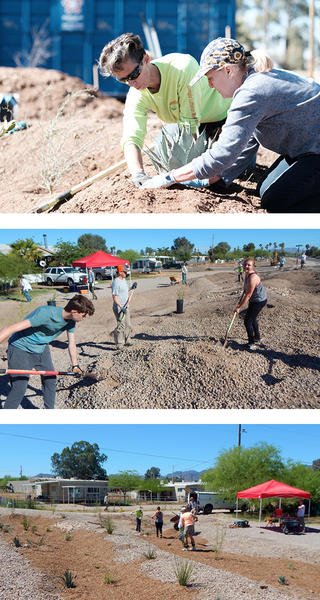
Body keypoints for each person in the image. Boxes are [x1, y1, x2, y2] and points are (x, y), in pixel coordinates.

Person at [141, 37, 320, 213]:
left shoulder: (252, 91)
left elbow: (223, 153)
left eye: (210, 78)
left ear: (228, 71)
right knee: (263, 189)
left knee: (276, 202)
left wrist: (171, 177)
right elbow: (245, 144)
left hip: (315, 150)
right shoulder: (253, 79)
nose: (210, 86)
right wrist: (217, 178)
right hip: (306, 149)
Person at [98, 33, 232, 188]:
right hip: (190, 126)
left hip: (222, 119)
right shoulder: (136, 94)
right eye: (124, 80)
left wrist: (183, 175)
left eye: (134, 74)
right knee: (166, 137)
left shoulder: (183, 68)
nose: (132, 83)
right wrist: (138, 174)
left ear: (146, 59)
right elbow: (131, 136)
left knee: (233, 171)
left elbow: (190, 126)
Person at [0, 295, 94, 409]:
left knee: (50, 380)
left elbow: (72, 344)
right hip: (20, 348)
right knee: (19, 388)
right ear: (74, 311)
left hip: (41, 348)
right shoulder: (45, 314)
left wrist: (75, 365)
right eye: (83, 315)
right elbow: (10, 328)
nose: (83, 318)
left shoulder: (71, 321)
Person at [235, 258, 267, 350]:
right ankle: (257, 337)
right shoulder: (247, 274)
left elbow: (248, 295)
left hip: (259, 301)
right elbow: (247, 290)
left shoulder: (253, 277)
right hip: (255, 299)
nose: (246, 266)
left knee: (247, 321)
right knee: (252, 318)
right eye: (245, 264)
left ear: (253, 266)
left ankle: (251, 343)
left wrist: (239, 307)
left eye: (249, 265)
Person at [111, 265, 132, 349]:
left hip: (126, 306)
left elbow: (125, 291)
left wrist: (131, 288)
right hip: (119, 308)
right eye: (125, 272)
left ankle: (128, 340)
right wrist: (120, 307)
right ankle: (119, 344)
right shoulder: (116, 282)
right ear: (120, 272)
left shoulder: (123, 280)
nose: (126, 273)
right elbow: (114, 297)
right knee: (121, 325)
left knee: (128, 324)